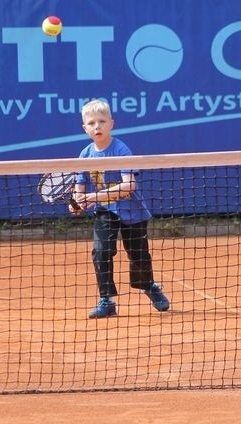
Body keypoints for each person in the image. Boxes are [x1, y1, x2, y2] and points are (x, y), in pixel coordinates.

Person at [71, 99, 170, 318]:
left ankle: (149, 286)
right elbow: (79, 191)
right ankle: (106, 300)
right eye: (92, 123)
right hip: (105, 212)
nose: (97, 126)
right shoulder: (84, 155)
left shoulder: (121, 150)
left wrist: (93, 196)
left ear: (111, 124)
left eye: (102, 121)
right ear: (84, 128)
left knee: (139, 256)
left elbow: (128, 186)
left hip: (132, 212)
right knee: (101, 251)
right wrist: (77, 203)